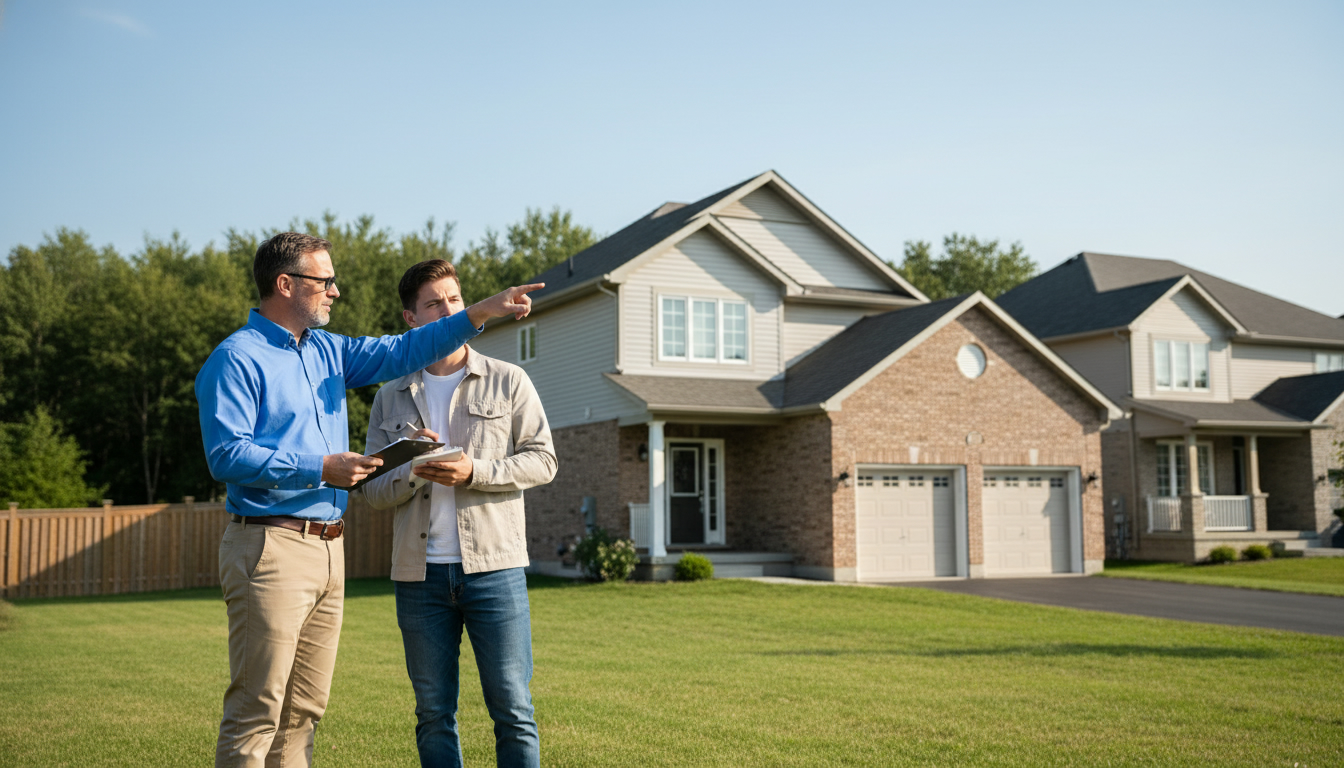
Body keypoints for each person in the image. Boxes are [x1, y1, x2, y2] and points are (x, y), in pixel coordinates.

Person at [196, 232, 542, 768]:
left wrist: (479, 312)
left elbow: (405, 349)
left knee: (303, 710)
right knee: (257, 709)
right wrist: (322, 468)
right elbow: (225, 455)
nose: (335, 291)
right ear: (286, 284)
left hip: (329, 549)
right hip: (270, 546)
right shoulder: (237, 359)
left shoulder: (329, 351)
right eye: (324, 280)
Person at [361, 259, 556, 768]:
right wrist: (411, 469)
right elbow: (372, 491)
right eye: (435, 303)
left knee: (513, 709)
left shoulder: (509, 380)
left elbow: (544, 461)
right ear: (411, 319)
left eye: (454, 299)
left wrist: (475, 472)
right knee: (432, 713)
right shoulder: (389, 396)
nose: (449, 310)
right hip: (418, 576)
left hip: (495, 570)